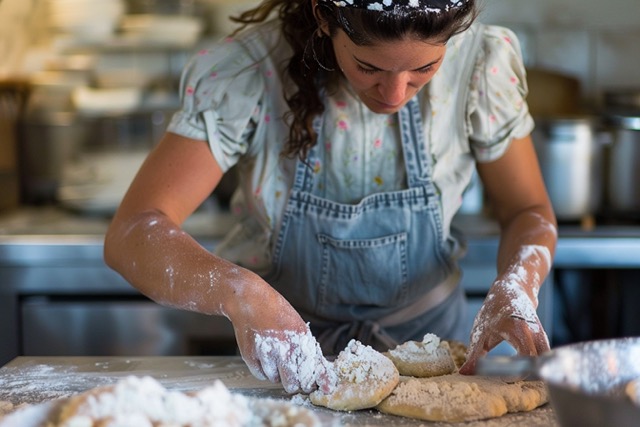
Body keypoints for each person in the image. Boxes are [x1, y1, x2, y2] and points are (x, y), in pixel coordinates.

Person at [104, 0, 558, 394]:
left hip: (437, 357)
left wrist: (518, 284)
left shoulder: (479, 62)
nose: (395, 93)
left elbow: (527, 210)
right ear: (325, 17)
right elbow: (133, 230)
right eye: (369, 67)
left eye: (423, 69)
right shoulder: (249, 71)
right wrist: (240, 293)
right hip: (281, 370)